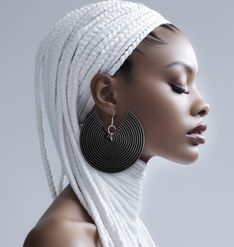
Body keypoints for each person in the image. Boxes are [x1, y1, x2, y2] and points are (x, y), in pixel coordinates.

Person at [23, 0, 210, 246]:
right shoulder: (64, 238)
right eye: (179, 85)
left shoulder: (126, 228)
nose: (203, 105)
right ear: (108, 95)